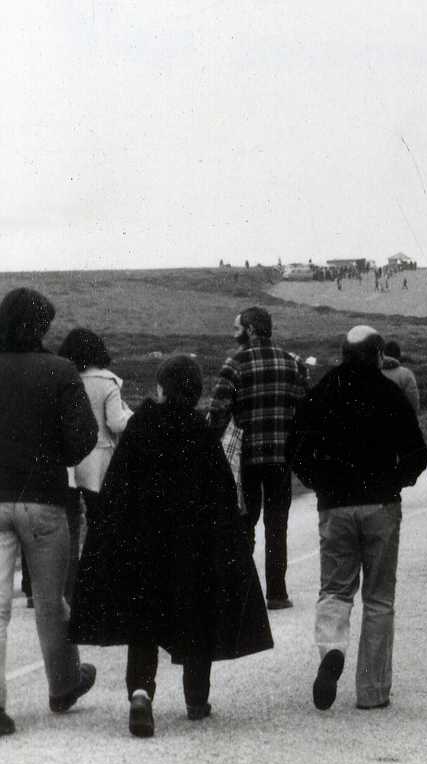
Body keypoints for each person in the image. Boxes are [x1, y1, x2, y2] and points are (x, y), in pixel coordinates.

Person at [70, 355, 272, 737]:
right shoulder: (200, 433)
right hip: (192, 549)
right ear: (195, 391)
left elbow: (115, 492)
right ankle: (196, 699)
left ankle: (141, 693)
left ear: (161, 389)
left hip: (144, 545)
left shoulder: (140, 429)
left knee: (144, 624)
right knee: (197, 619)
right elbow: (223, 497)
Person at [287, 326, 427, 712]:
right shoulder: (390, 394)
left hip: (334, 506)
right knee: (379, 598)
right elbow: (417, 453)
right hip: (381, 505)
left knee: (335, 589)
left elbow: (295, 449)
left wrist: (319, 483)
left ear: (342, 354)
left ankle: (332, 649)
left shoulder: (320, 393)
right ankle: (372, 690)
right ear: (379, 356)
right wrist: (396, 481)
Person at [0, 288, 99, 735]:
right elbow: (83, 439)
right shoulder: (60, 371)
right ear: (40, 327)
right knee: (49, 601)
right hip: (43, 497)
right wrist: (49, 453)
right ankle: (63, 685)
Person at [207, 306, 308, 610]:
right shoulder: (293, 363)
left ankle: (244, 594)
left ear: (250, 329)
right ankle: (277, 593)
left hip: (247, 457)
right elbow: (304, 409)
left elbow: (218, 411)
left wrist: (209, 448)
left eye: (236, 327)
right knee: (278, 525)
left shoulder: (235, 362)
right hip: (281, 457)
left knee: (244, 523)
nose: (232, 333)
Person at [56, 328, 133, 598]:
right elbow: (115, 423)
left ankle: (68, 589)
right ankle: (99, 587)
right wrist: (129, 414)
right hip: (99, 459)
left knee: (70, 526)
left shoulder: (65, 379)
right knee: (100, 523)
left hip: (67, 461)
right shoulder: (108, 382)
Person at [379, 340, 420, 413]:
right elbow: (413, 400)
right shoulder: (406, 374)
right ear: (398, 356)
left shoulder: (371, 372)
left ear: (382, 355)